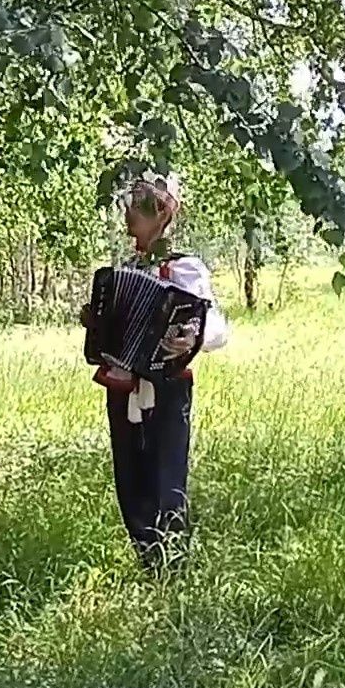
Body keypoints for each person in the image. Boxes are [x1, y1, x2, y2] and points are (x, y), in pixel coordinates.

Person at [102, 177, 231, 573]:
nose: (127, 212)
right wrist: (97, 323)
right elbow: (112, 326)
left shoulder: (185, 268)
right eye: (127, 203)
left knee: (166, 474)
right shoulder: (126, 269)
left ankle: (173, 564)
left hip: (168, 386)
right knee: (130, 476)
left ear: (161, 212)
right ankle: (147, 561)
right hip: (124, 387)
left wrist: (192, 336)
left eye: (137, 204)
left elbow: (216, 327)